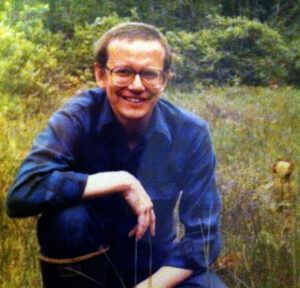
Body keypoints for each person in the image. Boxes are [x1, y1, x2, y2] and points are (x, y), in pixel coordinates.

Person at [6, 22, 225, 288]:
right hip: (86, 268)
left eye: (149, 74)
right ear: (101, 75)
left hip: (156, 268)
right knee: (68, 221)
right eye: (123, 72)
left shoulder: (190, 132)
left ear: (164, 79)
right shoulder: (77, 117)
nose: (136, 85)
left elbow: (203, 237)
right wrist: (122, 180)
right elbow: (23, 192)